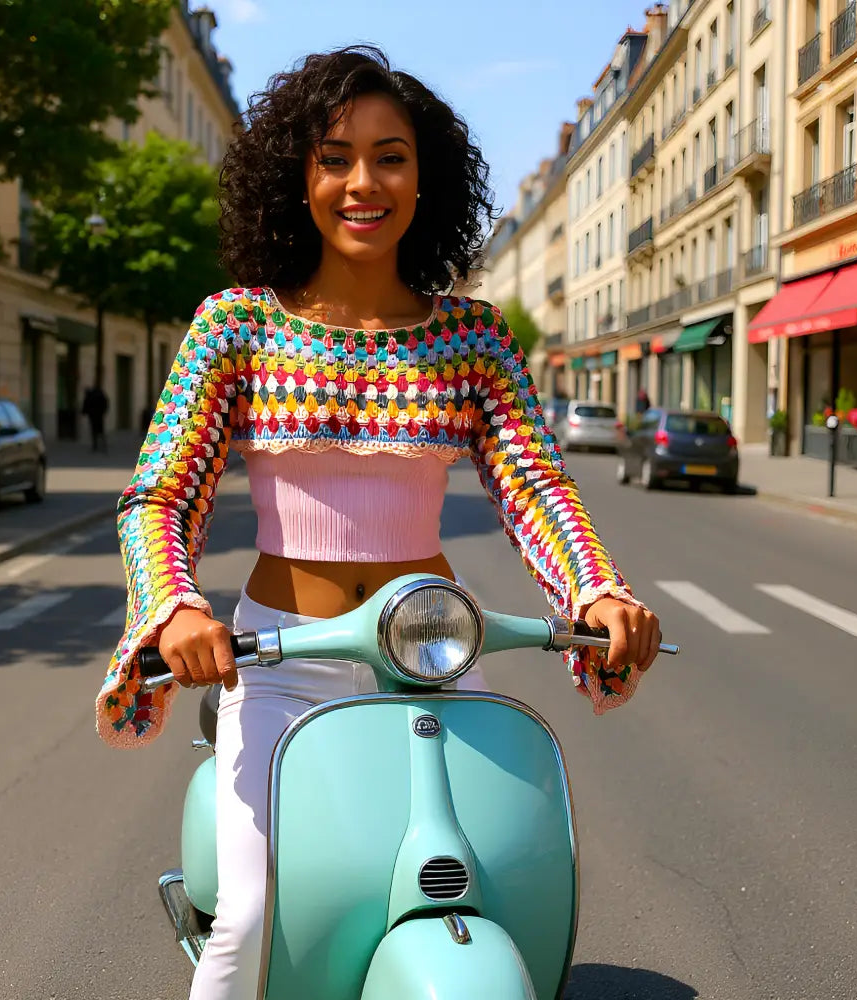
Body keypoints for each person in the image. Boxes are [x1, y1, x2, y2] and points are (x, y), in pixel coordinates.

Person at [95, 46, 662, 1000]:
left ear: (422, 174)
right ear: (298, 177)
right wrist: (175, 610)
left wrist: (597, 591)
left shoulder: (471, 336)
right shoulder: (235, 325)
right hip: (282, 661)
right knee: (251, 915)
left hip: (435, 657)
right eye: (334, 156)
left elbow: (535, 484)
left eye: (390, 155)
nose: (364, 181)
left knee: (502, 882)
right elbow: (162, 492)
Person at [81, 381, 108, 452]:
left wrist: (84, 412)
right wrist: (103, 412)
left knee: (94, 430)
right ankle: (102, 444)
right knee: (100, 430)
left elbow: (86, 404)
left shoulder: (91, 395)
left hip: (93, 416)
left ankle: (95, 445)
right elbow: (105, 403)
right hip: (99, 415)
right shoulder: (100, 394)